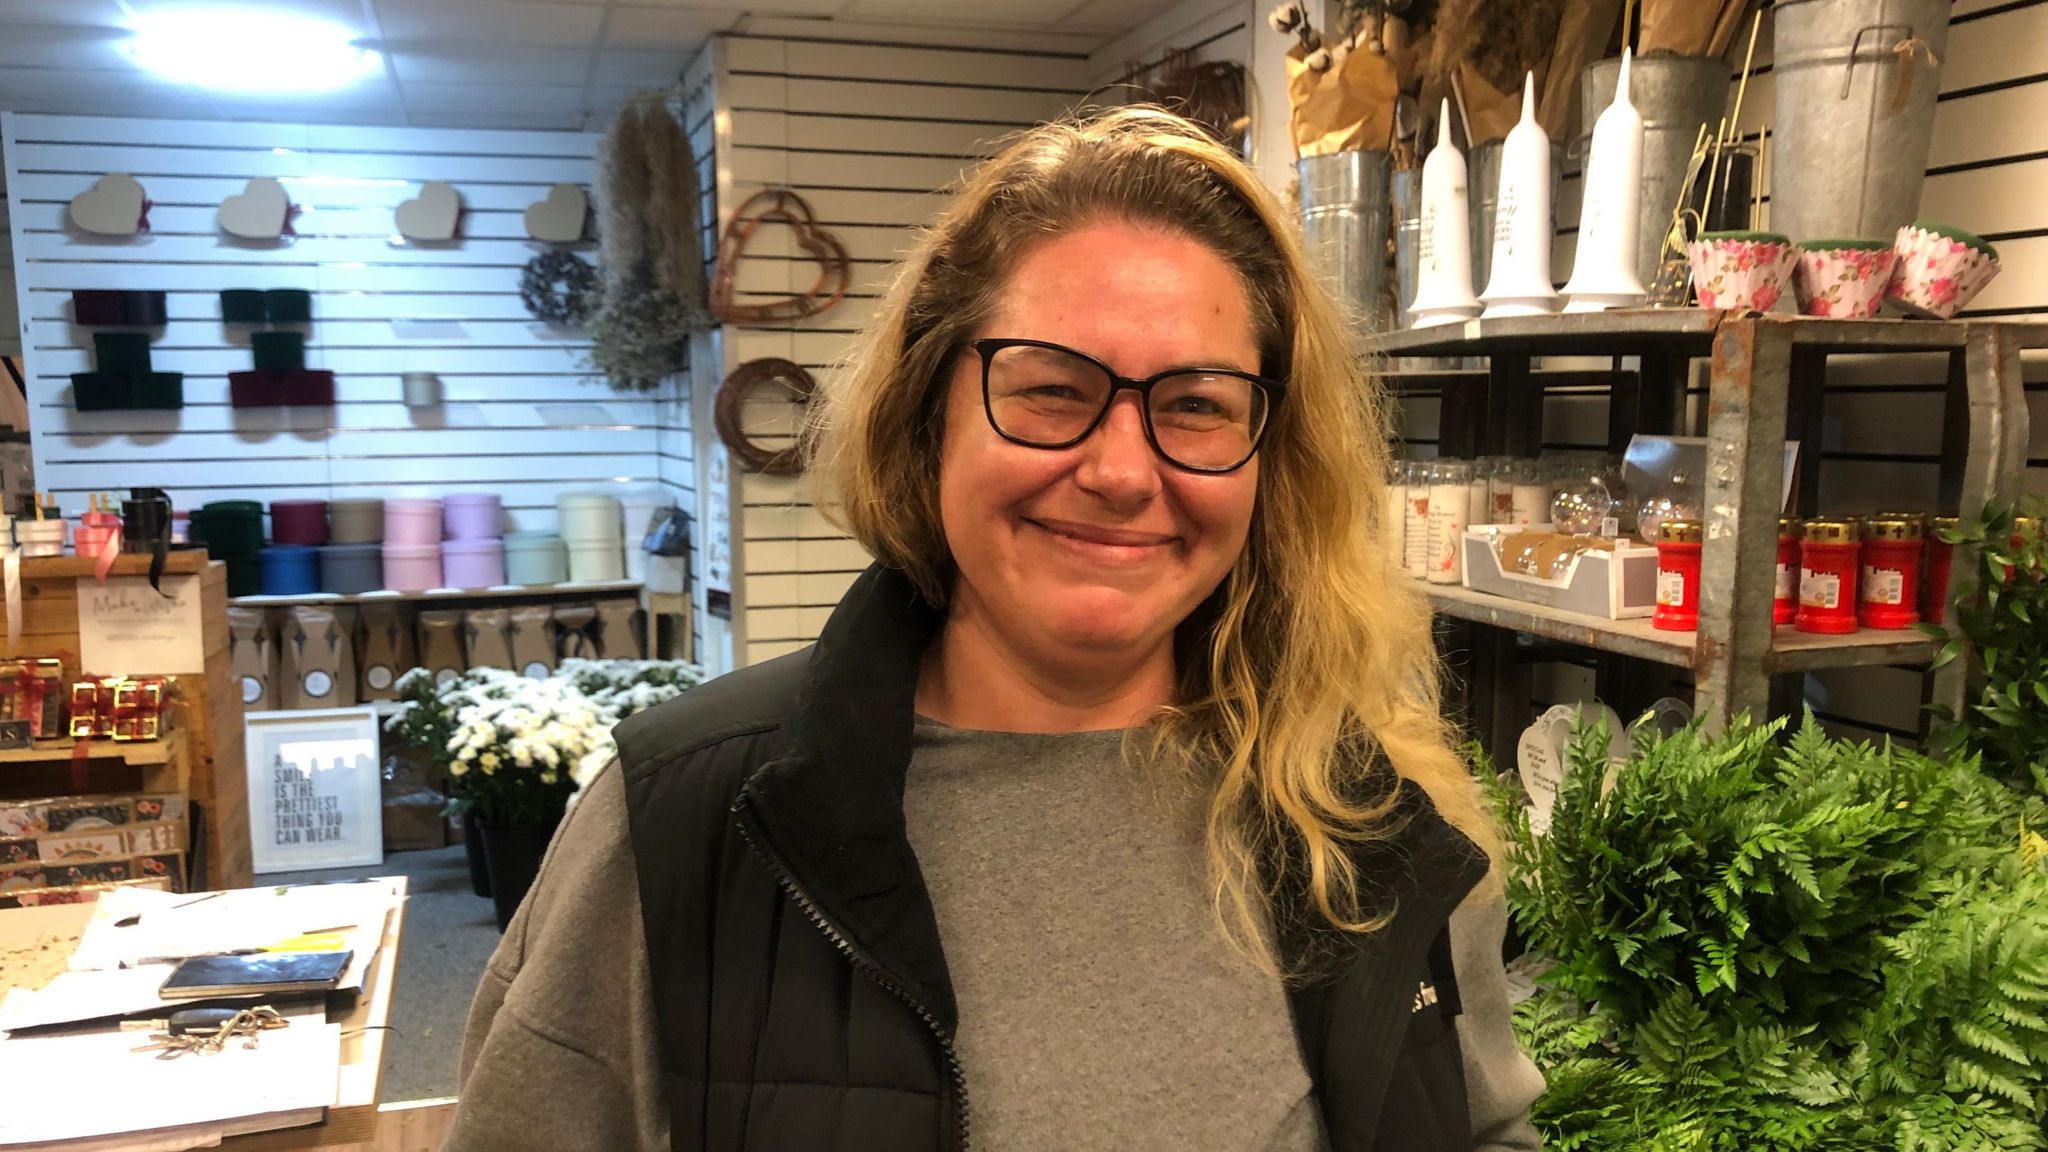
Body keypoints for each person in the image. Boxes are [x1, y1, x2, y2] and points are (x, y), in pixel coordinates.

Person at [447, 107, 1544, 1152]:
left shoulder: (1366, 810)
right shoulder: (684, 823)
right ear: (930, 418)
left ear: (1268, 457)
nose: (1120, 471)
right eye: (1051, 390)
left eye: (1196, 404)